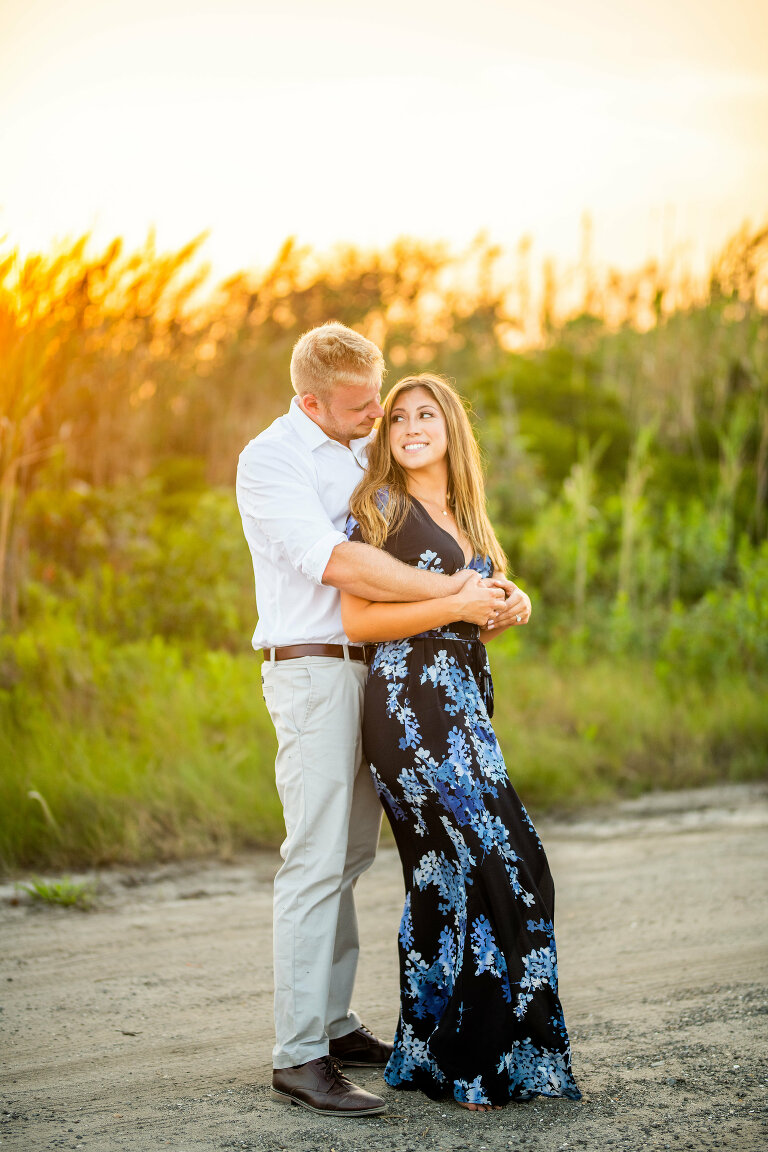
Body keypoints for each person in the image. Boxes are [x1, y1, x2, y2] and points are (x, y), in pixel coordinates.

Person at [236, 324, 512, 1117]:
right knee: (316, 857)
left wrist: (490, 591)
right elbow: (340, 563)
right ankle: (297, 1056)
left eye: (380, 400)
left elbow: (427, 531)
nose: (378, 417)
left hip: (386, 677)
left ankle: (335, 1021)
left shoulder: (367, 448)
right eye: (363, 408)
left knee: (352, 855)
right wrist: (453, 599)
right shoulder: (271, 460)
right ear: (309, 401)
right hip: (316, 668)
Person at [341, 373, 581, 1112]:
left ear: (450, 427)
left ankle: (434, 1055)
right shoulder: (381, 504)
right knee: (507, 864)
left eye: (426, 414)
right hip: (410, 709)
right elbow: (358, 620)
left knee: (449, 877)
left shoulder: (467, 512)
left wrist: (515, 601)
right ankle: (475, 1061)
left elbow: (483, 601)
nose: (411, 426)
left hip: (466, 707)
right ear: (386, 434)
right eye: (399, 417)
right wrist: (456, 601)